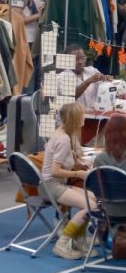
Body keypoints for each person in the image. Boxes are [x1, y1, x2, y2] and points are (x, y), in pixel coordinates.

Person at [42, 103, 99, 260]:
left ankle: (78, 240)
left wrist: (82, 164)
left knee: (93, 198)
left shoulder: (63, 134)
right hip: (51, 185)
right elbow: (55, 171)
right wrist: (78, 173)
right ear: (74, 118)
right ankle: (62, 243)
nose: (84, 118)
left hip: (57, 183)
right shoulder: (64, 139)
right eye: (81, 115)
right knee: (90, 206)